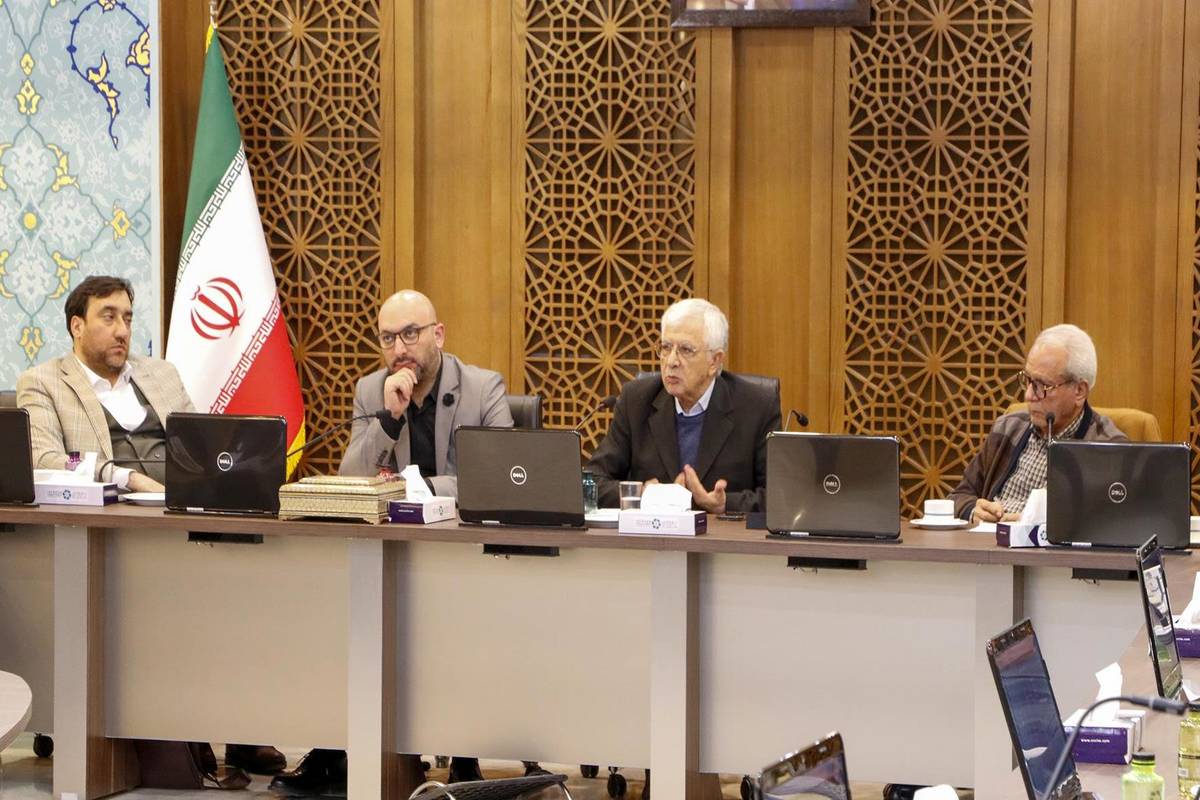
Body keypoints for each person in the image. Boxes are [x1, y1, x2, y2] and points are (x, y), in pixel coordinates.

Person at [16, 274, 285, 776]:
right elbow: (45, 459)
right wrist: (125, 477)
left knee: (249, 585)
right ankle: (171, 733)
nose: (123, 330)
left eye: (128, 317)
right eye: (108, 316)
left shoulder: (160, 375)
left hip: (180, 520)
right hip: (106, 534)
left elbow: (205, 445)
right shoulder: (44, 381)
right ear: (77, 326)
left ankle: (241, 727)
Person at [270, 289, 514, 796]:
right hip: (389, 555)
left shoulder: (483, 388)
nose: (399, 349)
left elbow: (495, 479)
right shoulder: (372, 391)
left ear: (437, 335)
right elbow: (353, 479)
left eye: (410, 334)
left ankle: (463, 755)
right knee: (342, 610)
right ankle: (341, 750)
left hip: (463, 556)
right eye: (387, 339)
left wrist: (407, 486)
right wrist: (388, 420)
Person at [588, 298, 780, 513]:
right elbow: (591, 483)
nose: (671, 361)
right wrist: (645, 495)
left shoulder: (757, 407)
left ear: (715, 361)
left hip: (721, 533)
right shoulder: (636, 400)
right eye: (666, 347)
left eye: (686, 350)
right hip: (654, 533)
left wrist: (726, 504)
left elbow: (780, 496)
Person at [949, 323, 1127, 524]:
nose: (1028, 395)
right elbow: (958, 497)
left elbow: (1108, 521)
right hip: (988, 539)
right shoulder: (1008, 428)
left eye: (1042, 386)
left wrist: (1035, 524)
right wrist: (973, 510)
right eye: (1028, 381)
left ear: (1079, 391)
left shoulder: (1108, 449)